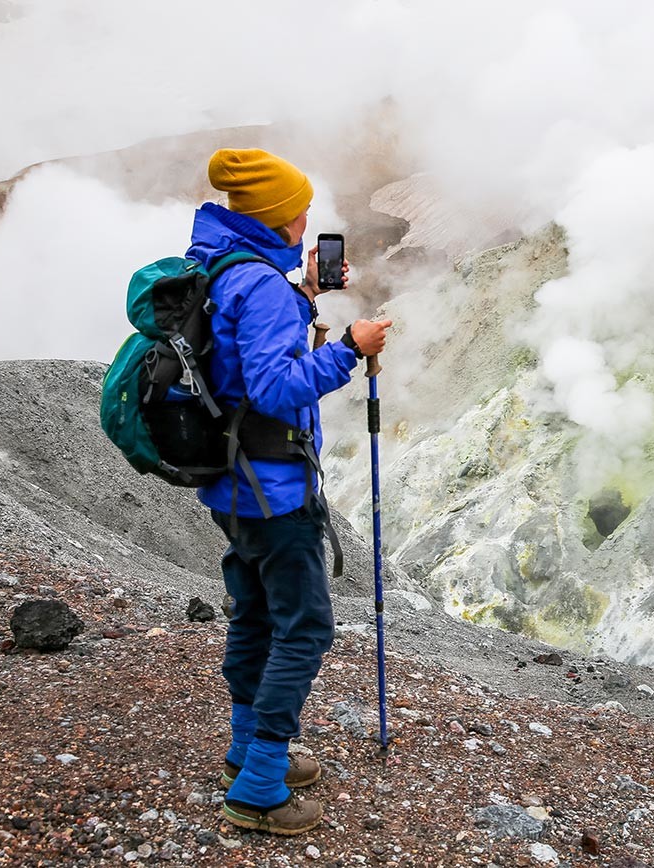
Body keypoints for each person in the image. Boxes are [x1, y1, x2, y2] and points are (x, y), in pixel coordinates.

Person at [187, 147, 391, 835]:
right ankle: (261, 788)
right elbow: (275, 388)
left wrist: (301, 299)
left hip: (231, 489)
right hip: (274, 491)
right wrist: (351, 348)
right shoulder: (263, 288)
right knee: (303, 627)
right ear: (279, 220)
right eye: (299, 211)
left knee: (251, 614)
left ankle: (244, 753)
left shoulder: (219, 268)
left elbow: (239, 362)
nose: (307, 220)